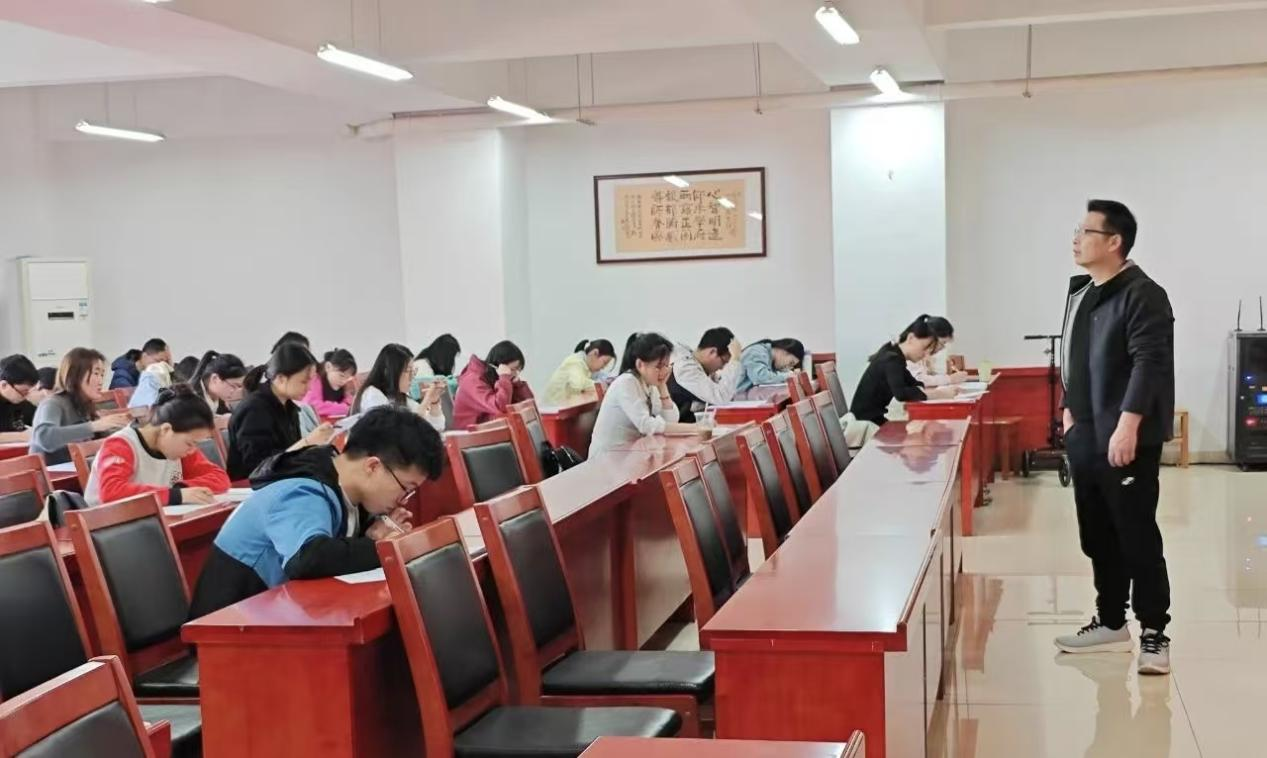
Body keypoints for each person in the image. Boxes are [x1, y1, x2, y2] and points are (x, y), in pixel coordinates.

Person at [1053, 199, 1175, 676]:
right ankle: (1109, 621)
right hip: (1086, 435)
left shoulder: (1143, 294)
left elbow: (1150, 363)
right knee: (1097, 534)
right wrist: (1068, 413)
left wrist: (1128, 424)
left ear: (1114, 241)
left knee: (1135, 533)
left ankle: (1154, 631)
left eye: (1085, 231)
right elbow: (1076, 361)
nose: (1076, 239)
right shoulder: (1086, 293)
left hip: (1125, 438)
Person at [188, 406, 443, 618]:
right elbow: (308, 558)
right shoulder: (301, 490)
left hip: (277, 617)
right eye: (406, 488)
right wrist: (384, 547)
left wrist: (371, 537)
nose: (403, 501)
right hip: (227, 631)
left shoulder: (349, 495)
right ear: (373, 466)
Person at [84, 384, 231, 506]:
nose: (192, 450)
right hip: (110, 526)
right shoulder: (120, 444)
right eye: (190, 443)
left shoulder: (178, 448)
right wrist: (176, 495)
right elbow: (112, 492)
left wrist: (182, 488)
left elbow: (220, 478)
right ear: (166, 429)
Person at [226, 342, 335, 481]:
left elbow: (291, 456)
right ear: (281, 378)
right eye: (303, 382)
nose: (309, 388)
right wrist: (307, 442)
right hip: (254, 485)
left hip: (282, 479)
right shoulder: (254, 409)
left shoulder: (289, 406)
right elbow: (259, 467)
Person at [590, 333, 702, 456]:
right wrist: (695, 428)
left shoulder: (649, 385)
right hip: (607, 458)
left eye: (667, 365)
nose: (665, 371)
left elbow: (671, 420)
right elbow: (646, 425)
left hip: (631, 454)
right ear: (640, 365)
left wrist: (662, 388)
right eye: (659, 366)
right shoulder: (626, 382)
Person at [850, 316, 960, 429]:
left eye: (930, 351)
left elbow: (913, 383)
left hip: (872, 419)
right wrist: (940, 394)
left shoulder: (895, 354)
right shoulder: (891, 358)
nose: (926, 355)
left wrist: (937, 391)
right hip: (865, 425)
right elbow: (901, 394)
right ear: (911, 338)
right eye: (924, 348)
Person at [29, 348, 130, 464]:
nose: (100, 381)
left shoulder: (86, 405)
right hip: (52, 472)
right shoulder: (53, 403)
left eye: (102, 375)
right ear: (75, 375)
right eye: (96, 374)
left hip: (78, 466)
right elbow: (45, 438)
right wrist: (95, 426)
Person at [352, 344, 445, 431]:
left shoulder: (401, 397)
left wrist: (434, 402)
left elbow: (437, 427)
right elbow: (396, 432)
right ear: (388, 372)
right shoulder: (372, 394)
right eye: (408, 370)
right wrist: (426, 400)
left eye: (413, 371)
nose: (412, 376)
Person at [667, 327, 744, 423]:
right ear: (712, 352)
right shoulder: (685, 369)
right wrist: (735, 360)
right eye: (724, 362)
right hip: (676, 428)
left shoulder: (699, 367)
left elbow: (726, 393)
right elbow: (720, 397)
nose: (722, 368)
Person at [452, 341, 534, 429]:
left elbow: (528, 408)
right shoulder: (473, 380)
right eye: (512, 369)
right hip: (468, 433)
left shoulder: (495, 379)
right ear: (498, 367)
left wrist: (518, 385)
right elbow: (500, 408)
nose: (515, 374)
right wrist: (504, 378)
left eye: (518, 370)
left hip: (485, 429)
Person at [543, 339, 617, 405]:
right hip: (552, 409)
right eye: (604, 362)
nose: (603, 367)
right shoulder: (575, 362)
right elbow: (577, 385)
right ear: (595, 353)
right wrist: (599, 386)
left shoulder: (586, 367)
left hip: (562, 407)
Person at [905, 317, 968, 388]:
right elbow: (918, 379)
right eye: (942, 343)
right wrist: (950, 379)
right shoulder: (912, 353)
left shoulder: (924, 356)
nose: (942, 348)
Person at [736, 338, 806, 394]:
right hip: (734, 398)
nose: (788, 367)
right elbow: (760, 377)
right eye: (791, 363)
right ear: (784, 351)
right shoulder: (757, 351)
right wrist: (788, 376)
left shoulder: (771, 361)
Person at [303, 349, 358, 418]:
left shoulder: (346, 384)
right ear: (328, 367)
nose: (344, 381)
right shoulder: (315, 379)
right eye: (341, 375)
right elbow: (313, 406)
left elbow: (350, 403)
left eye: (348, 378)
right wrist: (345, 409)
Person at [0, 354, 40, 443]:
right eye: (24, 392)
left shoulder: (20, 402)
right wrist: (21, 436)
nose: (27, 396)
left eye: (29, 391)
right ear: (4, 385)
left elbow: (41, 420)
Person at [411, 334, 461, 400]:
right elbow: (429, 397)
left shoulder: (427, 365)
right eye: (451, 357)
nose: (451, 362)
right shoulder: (422, 366)